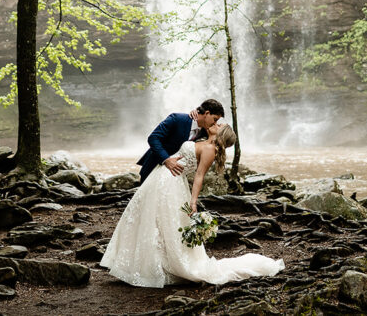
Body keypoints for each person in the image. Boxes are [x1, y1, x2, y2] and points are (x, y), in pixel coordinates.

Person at [101, 120, 284, 287]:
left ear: (222, 133)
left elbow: (199, 176)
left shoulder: (210, 150)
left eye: (220, 125)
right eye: (216, 121)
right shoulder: (202, 138)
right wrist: (193, 114)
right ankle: (139, 264)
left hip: (171, 184)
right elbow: (196, 121)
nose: (216, 123)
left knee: (161, 223)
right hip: (161, 177)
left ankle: (157, 267)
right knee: (147, 218)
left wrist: (193, 202)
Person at [136, 99, 224, 184]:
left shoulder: (207, 132)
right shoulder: (177, 119)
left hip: (175, 178)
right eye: (215, 119)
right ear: (207, 113)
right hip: (154, 166)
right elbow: (153, 138)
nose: (215, 123)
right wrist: (166, 159)